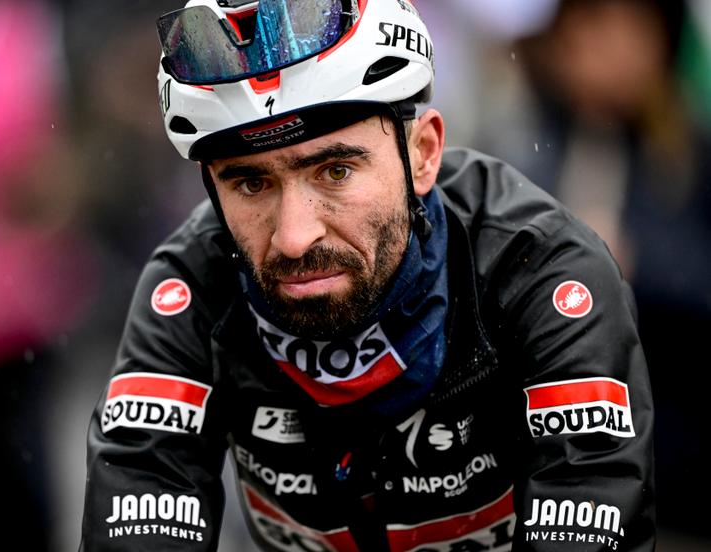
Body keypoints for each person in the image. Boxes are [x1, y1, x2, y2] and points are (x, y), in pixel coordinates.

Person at [79, 1, 654, 550]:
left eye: (334, 170)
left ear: (424, 154)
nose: (294, 236)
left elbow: (591, 495)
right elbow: (140, 497)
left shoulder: (541, 272)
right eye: (250, 184)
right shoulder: (192, 286)